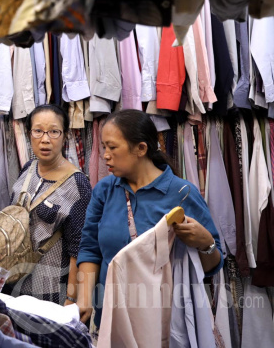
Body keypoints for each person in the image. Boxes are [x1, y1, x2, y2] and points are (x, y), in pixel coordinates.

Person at [76, 110, 223, 328]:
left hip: (164, 323)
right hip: (111, 319)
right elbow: (90, 248)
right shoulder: (104, 190)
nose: (105, 155)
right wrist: (85, 298)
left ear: (141, 149)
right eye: (104, 147)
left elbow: (213, 266)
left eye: (112, 147)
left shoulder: (181, 193)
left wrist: (205, 243)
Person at [7, 105, 92, 305]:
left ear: (65, 135)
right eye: (38, 131)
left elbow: (78, 248)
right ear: (29, 134)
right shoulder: (28, 169)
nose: (45, 139)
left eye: (54, 132)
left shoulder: (77, 183)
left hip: (49, 291)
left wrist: (71, 298)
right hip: (13, 281)